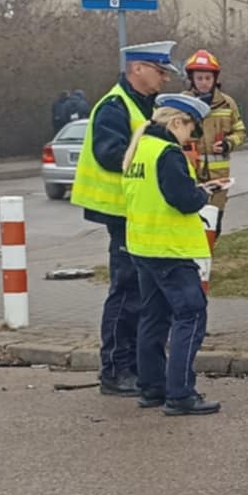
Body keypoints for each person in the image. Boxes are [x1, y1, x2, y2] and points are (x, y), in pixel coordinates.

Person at [72, 41, 177, 395]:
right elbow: (110, 154)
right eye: (160, 72)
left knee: (140, 292)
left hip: (136, 212)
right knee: (126, 290)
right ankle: (115, 369)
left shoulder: (144, 105)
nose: (164, 79)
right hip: (120, 212)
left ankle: (133, 365)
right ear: (138, 69)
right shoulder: (115, 106)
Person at [122, 92, 223, 416]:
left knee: (153, 317)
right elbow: (184, 200)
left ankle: (152, 387)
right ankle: (180, 393)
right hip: (171, 249)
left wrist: (197, 189)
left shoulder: (140, 149)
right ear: (176, 121)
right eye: (191, 128)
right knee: (190, 315)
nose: (191, 136)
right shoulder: (168, 153)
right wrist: (201, 194)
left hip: (142, 246)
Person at [182, 50, 245, 223]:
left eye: (207, 78)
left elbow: (240, 132)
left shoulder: (227, 103)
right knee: (192, 221)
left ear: (215, 79)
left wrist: (228, 144)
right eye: (199, 78)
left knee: (214, 220)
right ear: (192, 79)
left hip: (219, 176)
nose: (203, 83)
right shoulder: (181, 103)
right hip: (190, 174)